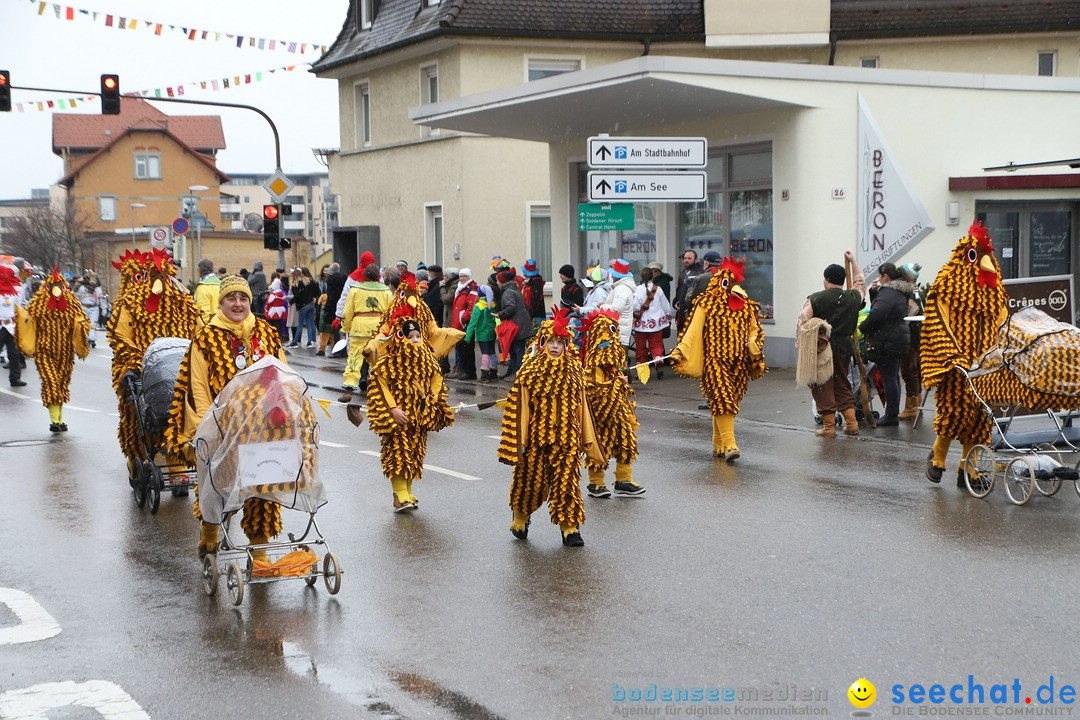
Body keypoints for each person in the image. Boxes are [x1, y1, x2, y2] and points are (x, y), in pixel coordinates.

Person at [165, 274, 289, 559]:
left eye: (243, 298)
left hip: (263, 429)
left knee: (263, 488)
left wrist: (285, 410)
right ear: (221, 303)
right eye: (231, 298)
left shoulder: (267, 333)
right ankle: (210, 533)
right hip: (223, 429)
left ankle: (260, 554)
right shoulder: (205, 338)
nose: (238, 303)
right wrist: (207, 429)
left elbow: (282, 374)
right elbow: (197, 386)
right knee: (217, 488)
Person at [497, 308, 603, 547]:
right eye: (550, 341)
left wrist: (587, 439)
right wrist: (519, 442)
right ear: (541, 343)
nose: (555, 346)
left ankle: (570, 528)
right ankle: (521, 518)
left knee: (567, 484)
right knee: (529, 483)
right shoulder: (529, 373)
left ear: (567, 345)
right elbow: (521, 409)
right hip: (536, 441)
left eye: (560, 342)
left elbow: (582, 409)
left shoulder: (576, 374)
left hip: (566, 441)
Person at [921, 222, 1007, 487]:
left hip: (986, 363)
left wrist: (1004, 351)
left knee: (981, 418)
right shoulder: (947, 285)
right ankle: (937, 457)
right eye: (976, 255)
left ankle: (967, 469)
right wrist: (951, 354)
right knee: (955, 413)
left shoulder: (995, 292)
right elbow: (937, 322)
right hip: (957, 363)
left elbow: (1004, 323)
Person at [108, 248, 202, 482]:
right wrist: (133, 362)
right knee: (138, 419)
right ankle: (136, 462)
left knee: (179, 419)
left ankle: (177, 469)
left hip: (180, 370)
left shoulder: (184, 303)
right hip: (142, 371)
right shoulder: (130, 304)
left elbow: (201, 335)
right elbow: (121, 337)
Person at [671, 257, 766, 461]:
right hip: (715, 361)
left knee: (730, 401)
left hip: (739, 362)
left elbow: (754, 330)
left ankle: (718, 442)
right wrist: (680, 350)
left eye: (734, 283)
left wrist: (753, 343)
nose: (730, 287)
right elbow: (692, 331)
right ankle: (731, 445)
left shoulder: (745, 306)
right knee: (723, 399)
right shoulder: (706, 304)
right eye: (726, 283)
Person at [366, 306, 456, 512]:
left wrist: (432, 400)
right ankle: (399, 495)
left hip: (419, 416)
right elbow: (381, 384)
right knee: (398, 453)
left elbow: (436, 379)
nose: (415, 340)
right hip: (398, 417)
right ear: (400, 337)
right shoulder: (388, 362)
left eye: (418, 336)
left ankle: (407, 490)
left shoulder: (427, 359)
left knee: (414, 453)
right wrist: (393, 409)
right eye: (410, 336)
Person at [796, 252, 867, 438]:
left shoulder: (816, 298)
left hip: (822, 347)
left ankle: (829, 427)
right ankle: (852, 423)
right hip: (844, 346)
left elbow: (802, 321)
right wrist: (853, 261)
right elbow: (861, 283)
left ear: (826, 279)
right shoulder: (853, 297)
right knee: (842, 382)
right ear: (843, 280)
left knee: (821, 385)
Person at [16, 269, 91, 432]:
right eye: (53, 286)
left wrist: (83, 327)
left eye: (60, 286)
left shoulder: (71, 302)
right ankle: (53, 420)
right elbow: (29, 321)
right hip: (44, 352)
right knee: (51, 383)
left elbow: (81, 321)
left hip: (65, 352)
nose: (57, 289)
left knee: (62, 384)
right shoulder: (38, 303)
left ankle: (60, 419)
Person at [582, 308, 645, 498]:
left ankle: (623, 479)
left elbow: (617, 376)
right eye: (612, 331)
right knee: (598, 445)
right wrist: (617, 382)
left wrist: (623, 378)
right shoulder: (594, 362)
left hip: (619, 412)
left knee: (626, 442)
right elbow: (594, 387)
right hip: (600, 415)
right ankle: (596, 483)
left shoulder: (613, 361)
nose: (615, 337)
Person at [859, 262, 914, 426]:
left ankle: (891, 415)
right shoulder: (898, 290)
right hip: (897, 338)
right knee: (893, 377)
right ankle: (892, 412)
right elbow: (883, 308)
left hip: (888, 340)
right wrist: (874, 292)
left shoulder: (889, 291)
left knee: (889, 378)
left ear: (885, 276)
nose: (878, 279)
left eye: (879, 276)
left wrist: (863, 327)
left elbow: (877, 313)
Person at [339, 262, 392, 402]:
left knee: (355, 358)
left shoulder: (355, 289)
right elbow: (390, 313)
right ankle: (381, 389)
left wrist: (344, 328)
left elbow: (348, 311)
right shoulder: (386, 291)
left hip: (359, 328)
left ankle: (349, 389)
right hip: (378, 329)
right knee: (379, 359)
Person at [632, 266, 674, 379]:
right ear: (652, 276)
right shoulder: (658, 289)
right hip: (656, 323)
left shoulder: (637, 289)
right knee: (656, 345)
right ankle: (658, 359)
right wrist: (669, 315)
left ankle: (642, 371)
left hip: (641, 325)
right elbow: (666, 305)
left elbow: (635, 306)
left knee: (640, 348)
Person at [897, 262, 924, 420]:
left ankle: (911, 406)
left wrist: (901, 322)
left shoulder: (907, 292)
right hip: (918, 334)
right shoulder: (916, 289)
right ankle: (917, 402)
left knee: (909, 370)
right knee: (915, 370)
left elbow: (911, 311)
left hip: (910, 335)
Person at [496, 270, 534, 379]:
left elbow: (511, 307)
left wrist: (500, 314)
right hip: (520, 325)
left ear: (502, 282)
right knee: (514, 350)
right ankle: (512, 371)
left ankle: (517, 374)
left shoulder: (508, 292)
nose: (497, 283)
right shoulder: (514, 290)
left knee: (517, 351)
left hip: (517, 327)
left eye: (498, 281)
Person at [0, 265, 27, 387]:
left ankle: (15, 378)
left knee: (14, 353)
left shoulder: (14, 292)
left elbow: (18, 307)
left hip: (11, 326)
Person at [465, 284, 498, 381]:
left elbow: (472, 323)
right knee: (492, 352)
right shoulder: (492, 304)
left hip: (482, 333)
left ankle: (485, 374)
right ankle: (493, 372)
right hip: (491, 331)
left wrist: (468, 337)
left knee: (485, 353)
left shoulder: (478, 306)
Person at [604, 258, 637, 353]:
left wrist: (602, 306)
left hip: (618, 332)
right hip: (621, 331)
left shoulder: (621, 289)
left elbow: (616, 309)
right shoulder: (624, 288)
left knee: (618, 363)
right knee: (622, 363)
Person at [451, 268, 479, 380]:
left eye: (464, 276)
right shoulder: (460, 289)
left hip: (465, 324)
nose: (462, 278)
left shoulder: (471, 289)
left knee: (467, 349)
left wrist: (463, 319)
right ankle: (464, 370)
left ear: (469, 277)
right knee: (462, 348)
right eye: (460, 276)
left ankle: (470, 372)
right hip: (459, 324)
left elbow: (471, 307)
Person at [289, 267, 320, 347]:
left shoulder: (296, 284)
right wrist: (312, 297)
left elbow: (296, 296)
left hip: (303, 306)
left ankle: (295, 341)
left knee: (300, 325)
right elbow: (317, 292)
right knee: (310, 323)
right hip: (311, 304)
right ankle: (310, 341)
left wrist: (291, 302)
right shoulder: (309, 281)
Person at [674, 250, 704, 332]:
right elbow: (680, 288)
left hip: (692, 312)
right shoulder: (683, 272)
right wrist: (676, 301)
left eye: (689, 258)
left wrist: (690, 307)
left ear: (696, 259)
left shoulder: (700, 273)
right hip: (681, 311)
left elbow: (698, 293)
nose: (686, 260)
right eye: (685, 258)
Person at [321, 263, 347, 357]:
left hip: (334, 307)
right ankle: (344, 349)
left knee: (335, 329)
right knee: (344, 328)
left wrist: (326, 308)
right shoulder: (344, 277)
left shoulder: (331, 280)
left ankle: (337, 349)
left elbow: (331, 296)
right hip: (345, 305)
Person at [75, 274, 104, 348]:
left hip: (94, 308)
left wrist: (103, 308)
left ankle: (92, 339)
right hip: (84, 307)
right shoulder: (82, 288)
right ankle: (85, 337)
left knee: (93, 324)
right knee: (84, 323)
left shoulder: (98, 289)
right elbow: (77, 297)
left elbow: (101, 299)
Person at [193, 258, 220, 325]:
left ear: (199, 270)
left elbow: (203, 310)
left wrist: (205, 328)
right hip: (223, 323)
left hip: (211, 326)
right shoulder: (222, 284)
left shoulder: (202, 287)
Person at [521, 259, 547, 327]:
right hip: (530, 314)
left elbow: (535, 300)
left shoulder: (536, 282)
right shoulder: (529, 282)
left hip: (536, 315)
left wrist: (530, 314)